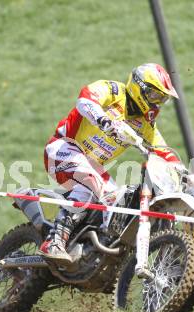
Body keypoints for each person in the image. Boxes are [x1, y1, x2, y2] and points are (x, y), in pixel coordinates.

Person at [40, 63, 180, 266]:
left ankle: (96, 250)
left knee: (116, 199)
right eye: (154, 95)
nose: (156, 103)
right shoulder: (113, 91)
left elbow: (162, 150)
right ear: (138, 86)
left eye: (162, 99)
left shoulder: (144, 123)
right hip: (62, 148)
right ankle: (54, 241)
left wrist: (185, 173)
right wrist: (107, 122)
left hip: (89, 166)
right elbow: (84, 100)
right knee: (95, 183)